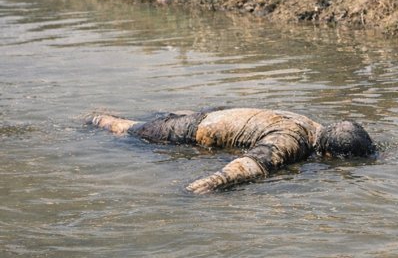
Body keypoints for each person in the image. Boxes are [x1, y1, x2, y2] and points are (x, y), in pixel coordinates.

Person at [89, 107, 376, 194]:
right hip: (195, 129)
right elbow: (253, 164)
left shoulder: (315, 125)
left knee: (158, 120)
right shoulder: (293, 140)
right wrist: (211, 184)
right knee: (123, 128)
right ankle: (92, 118)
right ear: (328, 155)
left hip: (217, 114)